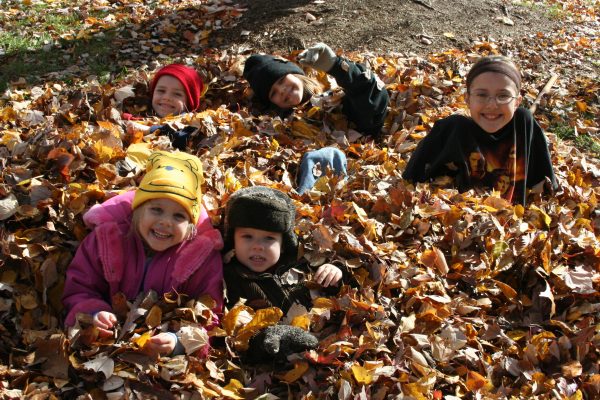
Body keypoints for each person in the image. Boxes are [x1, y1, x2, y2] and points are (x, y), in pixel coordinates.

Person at [62, 151, 223, 356]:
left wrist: (179, 341)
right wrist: (93, 313)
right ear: (138, 210)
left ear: (191, 225)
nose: (166, 222)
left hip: (155, 357)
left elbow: (210, 315)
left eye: (179, 216)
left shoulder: (200, 257)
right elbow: (80, 286)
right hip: (106, 350)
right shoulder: (108, 239)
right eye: (156, 210)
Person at [403, 55, 557, 205]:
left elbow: (546, 188)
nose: (492, 105)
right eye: (482, 95)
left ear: (517, 102)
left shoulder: (522, 125)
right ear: (468, 99)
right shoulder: (452, 130)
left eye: (503, 96)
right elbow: (410, 183)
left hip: (511, 224)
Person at [221, 186, 351, 361]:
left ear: (283, 245)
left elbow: (344, 289)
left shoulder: (302, 265)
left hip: (329, 341)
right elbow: (236, 332)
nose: (258, 245)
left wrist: (337, 271)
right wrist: (265, 339)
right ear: (233, 241)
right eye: (247, 237)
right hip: (277, 358)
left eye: (269, 238)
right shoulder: (232, 279)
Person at [243, 42, 389, 137]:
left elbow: (371, 101)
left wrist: (336, 67)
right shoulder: (282, 128)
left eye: (281, 80)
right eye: (273, 93)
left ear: (296, 74)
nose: (281, 90)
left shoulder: (336, 99)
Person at [123, 64, 205, 150]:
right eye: (161, 91)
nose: (167, 97)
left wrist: (149, 130)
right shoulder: (140, 112)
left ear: (189, 102)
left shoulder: (191, 122)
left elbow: (183, 137)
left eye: (177, 94)